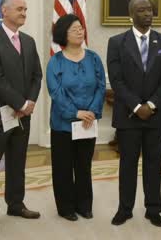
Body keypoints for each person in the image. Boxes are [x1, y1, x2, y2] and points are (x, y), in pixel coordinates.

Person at [107, 0, 161, 227]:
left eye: (150, 9)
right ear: (131, 14)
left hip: (156, 116)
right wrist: (137, 106)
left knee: (154, 164)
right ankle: (125, 209)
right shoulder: (116, 42)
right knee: (127, 163)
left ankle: (153, 209)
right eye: (142, 10)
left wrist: (152, 105)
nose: (148, 13)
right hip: (128, 115)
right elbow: (117, 81)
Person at [0, 0, 43, 230]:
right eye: (19, 9)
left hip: (23, 115)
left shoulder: (29, 41)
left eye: (25, 9)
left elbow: (37, 75)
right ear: (4, 11)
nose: (24, 13)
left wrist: (29, 102)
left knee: (18, 161)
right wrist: (20, 103)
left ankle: (16, 203)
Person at [46, 14, 106, 222]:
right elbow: (55, 92)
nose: (80, 31)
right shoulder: (55, 62)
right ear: (64, 34)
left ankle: (84, 205)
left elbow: (100, 86)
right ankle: (66, 207)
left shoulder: (94, 58)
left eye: (81, 28)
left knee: (84, 165)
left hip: (88, 123)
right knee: (63, 166)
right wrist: (76, 113)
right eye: (74, 29)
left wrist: (91, 111)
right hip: (63, 124)